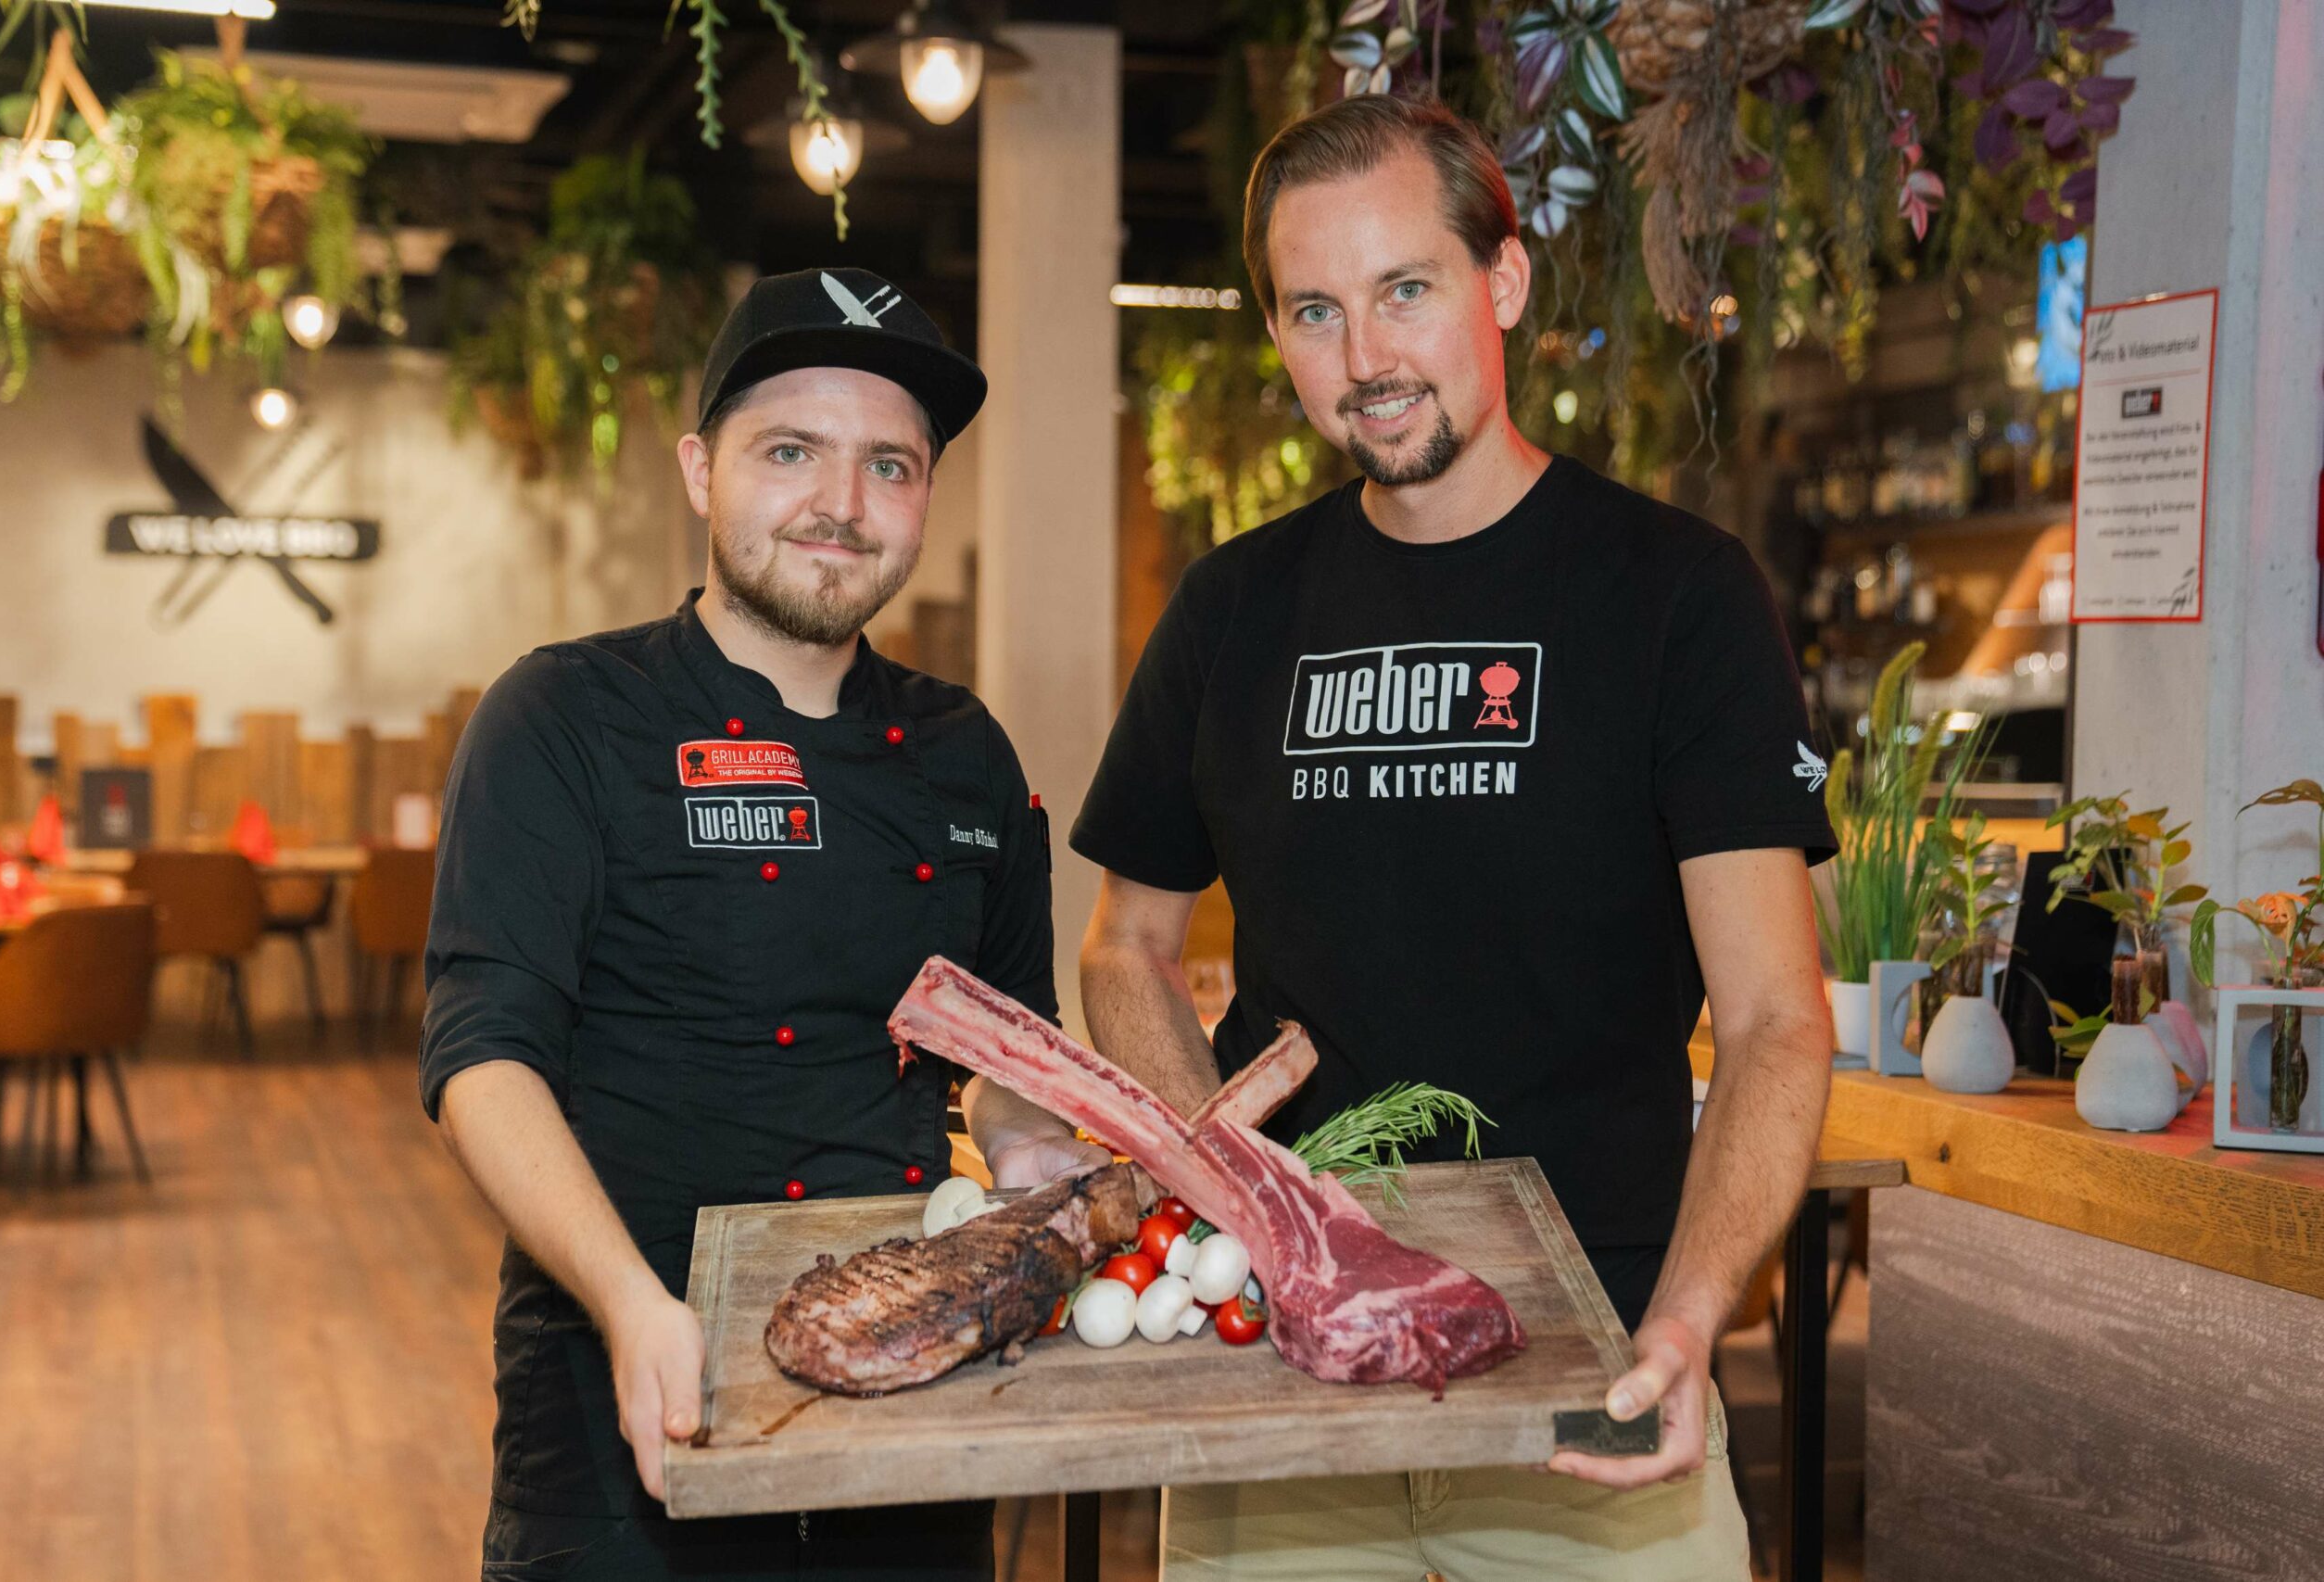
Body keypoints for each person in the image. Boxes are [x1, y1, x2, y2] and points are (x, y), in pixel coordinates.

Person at [1067, 95, 1838, 1578]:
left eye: (1405, 290)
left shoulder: (1678, 598)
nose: (1366, 356)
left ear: (1505, 281)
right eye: (1316, 311)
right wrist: (1239, 1202)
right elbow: (1128, 948)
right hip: (1281, 1365)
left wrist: (1687, 1322)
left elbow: (1775, 1020)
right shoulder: (1232, 611)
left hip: (1594, 1368)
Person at [418, 267, 1107, 1581]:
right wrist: (629, 1302)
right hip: (625, 1387)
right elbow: (481, 1058)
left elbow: (1007, 1055)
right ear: (700, 471)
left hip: (912, 1380)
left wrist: (1031, 1151)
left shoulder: (965, 753)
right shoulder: (564, 719)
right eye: (790, 451)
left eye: (890, 466)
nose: (841, 503)